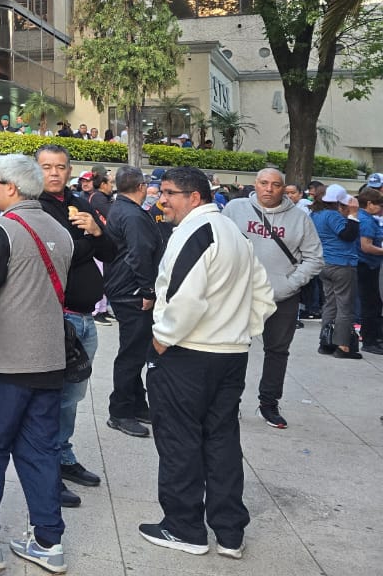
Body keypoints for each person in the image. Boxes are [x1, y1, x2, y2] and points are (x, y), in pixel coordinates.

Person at [140, 167, 275, 559]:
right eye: (161, 192)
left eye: (168, 193)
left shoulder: (196, 232)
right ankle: (230, 533)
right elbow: (263, 297)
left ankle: (184, 528)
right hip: (228, 355)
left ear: (194, 197)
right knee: (222, 441)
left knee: (181, 441)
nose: (161, 200)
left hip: (190, 355)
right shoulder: (235, 234)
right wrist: (237, 333)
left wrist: (160, 341)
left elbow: (183, 299)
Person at [0, 154, 74, 575]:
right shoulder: (58, 229)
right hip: (49, 361)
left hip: (3, 363)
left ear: (12, 187)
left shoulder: (2, 227)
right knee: (41, 452)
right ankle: (49, 540)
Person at [33, 145, 110, 506]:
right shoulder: (33, 207)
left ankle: (63, 457)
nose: (54, 173)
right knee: (50, 399)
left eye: (60, 167)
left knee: (71, 399)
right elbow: (60, 255)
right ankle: (46, 470)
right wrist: (88, 240)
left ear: (70, 169)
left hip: (84, 318)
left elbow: (113, 250)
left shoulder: (80, 202)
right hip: (52, 317)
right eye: (46, 167)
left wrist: (96, 229)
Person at [221, 168, 323, 427]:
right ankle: (228, 402)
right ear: (255, 184)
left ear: (284, 188)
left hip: (282, 297)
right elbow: (218, 244)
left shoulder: (299, 219)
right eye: (264, 183)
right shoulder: (235, 209)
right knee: (232, 349)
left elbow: (314, 258)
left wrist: (288, 285)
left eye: (275, 184)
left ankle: (269, 403)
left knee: (277, 351)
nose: (269, 189)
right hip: (240, 294)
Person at [103, 165, 164, 438]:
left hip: (125, 288)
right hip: (132, 292)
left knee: (137, 351)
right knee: (131, 354)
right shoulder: (132, 215)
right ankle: (120, 411)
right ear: (141, 187)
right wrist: (147, 290)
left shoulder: (121, 209)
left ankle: (137, 404)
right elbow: (140, 254)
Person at [310, 184, 361, 358]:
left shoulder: (316, 214)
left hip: (325, 263)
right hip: (342, 264)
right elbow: (348, 235)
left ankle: (326, 342)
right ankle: (343, 346)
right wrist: (353, 215)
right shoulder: (332, 215)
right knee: (345, 307)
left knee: (330, 304)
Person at [357, 189, 383, 354]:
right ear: (369, 204)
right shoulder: (366, 221)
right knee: (370, 304)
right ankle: (369, 341)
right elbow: (366, 246)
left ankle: (372, 338)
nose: (380, 208)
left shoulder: (364, 217)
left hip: (368, 265)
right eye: (378, 204)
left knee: (373, 303)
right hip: (367, 265)